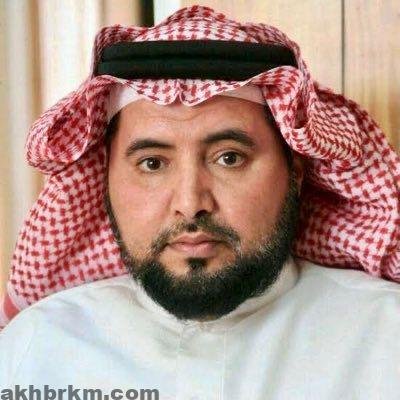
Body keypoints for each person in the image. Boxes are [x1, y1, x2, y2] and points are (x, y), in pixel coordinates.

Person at [1, 5, 399, 399]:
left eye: (229, 158)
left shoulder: (385, 339)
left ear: (295, 172)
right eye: (153, 163)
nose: (190, 203)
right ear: (104, 178)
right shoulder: (36, 349)